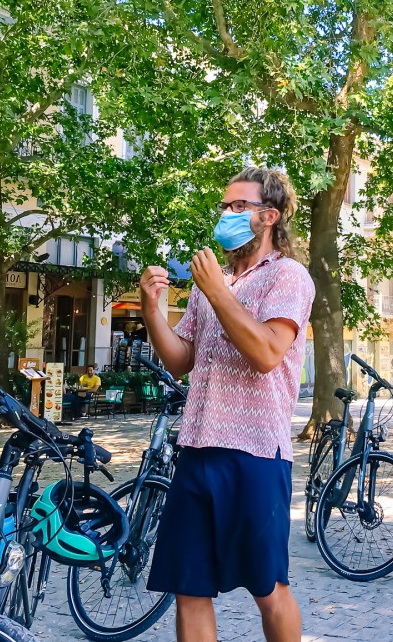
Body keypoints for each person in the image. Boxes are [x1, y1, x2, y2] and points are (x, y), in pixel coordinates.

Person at [141, 166, 314, 642]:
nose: (227, 215)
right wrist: (151, 310)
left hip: (255, 453)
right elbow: (179, 360)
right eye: (225, 206)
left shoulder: (289, 276)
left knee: (268, 588)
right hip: (197, 449)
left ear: (269, 216)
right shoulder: (208, 285)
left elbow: (265, 354)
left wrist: (218, 291)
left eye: (239, 206)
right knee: (188, 588)